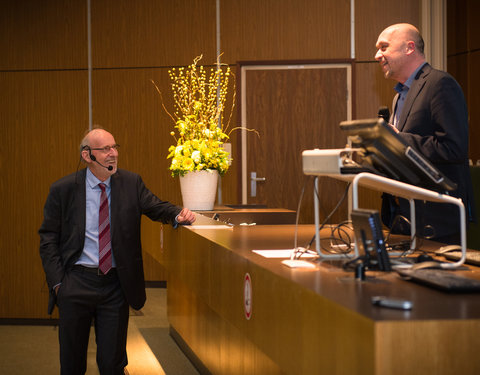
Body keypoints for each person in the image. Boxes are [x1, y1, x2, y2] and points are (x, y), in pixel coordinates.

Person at [39, 128, 195, 374]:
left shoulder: (131, 183)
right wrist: (59, 283)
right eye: (105, 149)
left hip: (114, 285)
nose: (113, 154)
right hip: (75, 283)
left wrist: (178, 213)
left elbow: (155, 206)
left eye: (115, 147)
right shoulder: (64, 189)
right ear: (87, 155)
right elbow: (48, 237)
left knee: (113, 364)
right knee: (72, 363)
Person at [374, 23, 475, 244]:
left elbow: (454, 147)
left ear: (409, 47)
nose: (377, 55)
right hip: (406, 217)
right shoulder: (399, 95)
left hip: (439, 218)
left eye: (383, 47)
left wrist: (397, 140)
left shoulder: (440, 84)